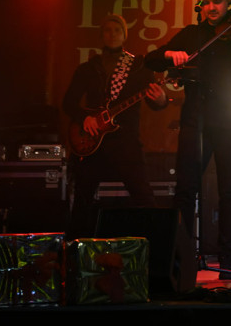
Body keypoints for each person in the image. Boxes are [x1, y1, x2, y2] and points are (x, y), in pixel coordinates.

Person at [146, 0, 231, 280]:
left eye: (218, 2)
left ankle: (228, 259)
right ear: (200, 2)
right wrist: (169, 54)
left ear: (229, 2)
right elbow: (150, 60)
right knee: (185, 190)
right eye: (207, 1)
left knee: (230, 190)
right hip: (196, 120)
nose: (212, 7)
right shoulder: (192, 35)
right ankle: (181, 257)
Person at [62, 13, 168, 237]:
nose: (112, 34)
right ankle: (73, 254)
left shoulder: (138, 66)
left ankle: (158, 251)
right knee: (82, 200)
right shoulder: (88, 68)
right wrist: (85, 118)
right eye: (108, 30)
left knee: (144, 198)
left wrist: (160, 98)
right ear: (102, 35)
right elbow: (68, 103)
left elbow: (156, 103)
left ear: (124, 35)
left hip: (125, 142)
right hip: (92, 143)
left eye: (117, 30)